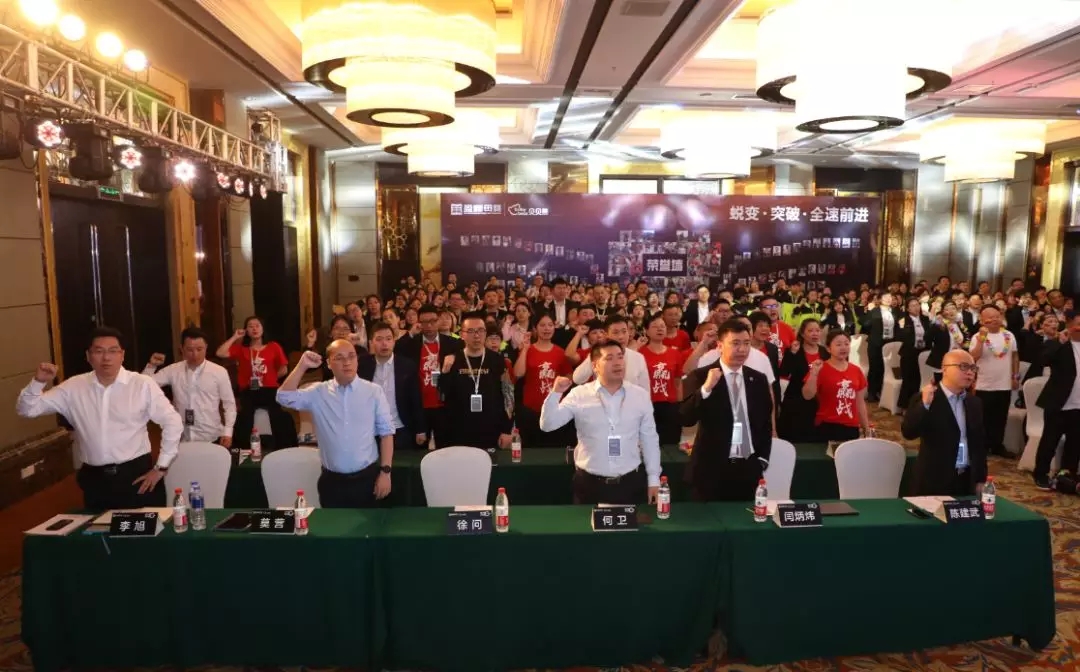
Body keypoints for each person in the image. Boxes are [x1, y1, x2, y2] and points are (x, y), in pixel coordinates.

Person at [16, 327, 183, 510]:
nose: (106, 358)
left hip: (135, 476)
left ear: (122, 355)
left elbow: (172, 421)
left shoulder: (141, 384)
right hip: (94, 478)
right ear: (88, 356)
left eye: (113, 351)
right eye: (99, 351)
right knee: (98, 527)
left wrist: (161, 467)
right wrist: (38, 382)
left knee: (140, 527)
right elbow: (28, 410)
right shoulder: (73, 387)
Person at [539, 341, 662, 505]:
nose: (617, 363)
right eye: (609, 358)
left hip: (630, 482)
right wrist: (555, 393)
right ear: (595, 366)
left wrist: (654, 479)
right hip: (589, 484)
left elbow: (649, 439)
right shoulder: (579, 394)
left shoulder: (639, 395)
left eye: (620, 357)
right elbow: (547, 425)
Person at [277, 342, 394, 508]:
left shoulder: (373, 391)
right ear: (328, 363)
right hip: (332, 482)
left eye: (351, 356)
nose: (347, 362)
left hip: (367, 479)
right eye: (339, 358)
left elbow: (386, 433)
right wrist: (302, 365)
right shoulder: (318, 392)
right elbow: (283, 397)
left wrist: (385, 472)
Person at [680, 319, 773, 502]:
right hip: (710, 472)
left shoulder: (758, 379)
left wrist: (762, 459)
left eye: (746, 343)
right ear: (720, 346)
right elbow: (685, 417)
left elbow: (765, 423)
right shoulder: (701, 376)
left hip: (748, 470)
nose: (742, 349)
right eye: (735, 343)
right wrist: (706, 389)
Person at [902, 350, 988, 497]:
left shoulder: (974, 402)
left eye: (973, 368)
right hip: (934, 481)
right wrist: (925, 405)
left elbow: (979, 444)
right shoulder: (927, 397)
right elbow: (908, 432)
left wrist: (980, 479)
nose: (969, 372)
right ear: (945, 369)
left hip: (965, 480)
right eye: (963, 367)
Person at [143, 327, 236, 446]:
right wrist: (151, 366)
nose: (195, 354)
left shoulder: (219, 372)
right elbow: (144, 386)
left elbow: (229, 403)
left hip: (211, 436)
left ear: (206, 347)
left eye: (199, 349)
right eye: (190, 350)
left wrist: (228, 432)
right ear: (181, 349)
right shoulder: (173, 370)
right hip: (182, 437)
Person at [216, 316, 297, 450]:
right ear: (246, 331)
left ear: (263, 329)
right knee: (245, 418)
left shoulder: (273, 346)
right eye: (250, 326)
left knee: (279, 417)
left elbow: (283, 370)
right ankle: (243, 449)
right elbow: (220, 353)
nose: (254, 329)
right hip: (249, 390)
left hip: (269, 389)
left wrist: (269, 377)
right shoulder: (242, 349)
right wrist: (235, 337)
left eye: (257, 325)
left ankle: (283, 449)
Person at [437, 313, 513, 452]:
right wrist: (445, 372)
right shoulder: (452, 360)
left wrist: (506, 429)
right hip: (458, 430)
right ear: (462, 334)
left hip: (491, 429)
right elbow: (441, 395)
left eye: (480, 331)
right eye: (471, 331)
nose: (476, 336)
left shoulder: (497, 360)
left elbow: (508, 396)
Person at [395, 304, 462, 448]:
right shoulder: (411, 343)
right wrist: (410, 333)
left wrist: (454, 357)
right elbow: (396, 349)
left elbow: (465, 355)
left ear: (438, 321)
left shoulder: (453, 344)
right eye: (424, 322)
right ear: (419, 323)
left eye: (433, 321)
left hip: (444, 405)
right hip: (419, 406)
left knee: (446, 448)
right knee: (418, 449)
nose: (429, 326)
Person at [359, 321, 427, 452]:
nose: (384, 343)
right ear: (371, 342)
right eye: (379, 339)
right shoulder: (362, 365)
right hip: (370, 430)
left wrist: (420, 429)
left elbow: (415, 399)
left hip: (400, 428)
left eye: (388, 339)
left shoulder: (407, 365)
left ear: (394, 341)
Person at [1032, 311, 1080, 489]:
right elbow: (1043, 360)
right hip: (1059, 402)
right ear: (1069, 324)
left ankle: (1067, 476)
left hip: (1078, 404)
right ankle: (1040, 473)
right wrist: (1060, 342)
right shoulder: (1057, 344)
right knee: (1049, 441)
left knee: (1075, 443)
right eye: (1078, 324)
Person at [513, 312, 572, 447]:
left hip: (554, 410)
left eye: (550, 325)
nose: (547, 329)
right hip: (531, 411)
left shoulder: (560, 352)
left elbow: (569, 376)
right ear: (535, 328)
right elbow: (518, 373)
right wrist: (525, 350)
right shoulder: (528, 350)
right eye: (542, 325)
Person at [803, 329, 871, 442]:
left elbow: (860, 402)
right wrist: (814, 374)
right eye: (838, 344)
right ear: (828, 348)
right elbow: (807, 395)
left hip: (851, 426)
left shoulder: (856, 370)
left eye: (846, 344)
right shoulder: (820, 368)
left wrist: (866, 427)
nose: (843, 347)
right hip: (827, 425)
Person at [969, 306, 1019, 457]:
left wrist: (1015, 376)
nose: (994, 320)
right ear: (982, 320)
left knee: (1000, 417)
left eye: (997, 316)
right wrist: (981, 339)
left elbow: (1015, 356)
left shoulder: (1009, 335)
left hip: (1004, 384)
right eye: (990, 317)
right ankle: (982, 447)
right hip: (984, 384)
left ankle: (997, 445)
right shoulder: (977, 337)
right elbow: (973, 357)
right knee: (983, 418)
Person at [777, 318, 827, 441]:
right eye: (810, 331)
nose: (815, 334)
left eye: (817, 330)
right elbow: (784, 372)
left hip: (819, 401)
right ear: (802, 334)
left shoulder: (825, 352)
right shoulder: (795, 350)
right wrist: (791, 353)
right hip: (796, 401)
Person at [571, 315, 651, 390]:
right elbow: (577, 379)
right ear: (606, 335)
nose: (621, 336)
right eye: (615, 332)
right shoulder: (599, 355)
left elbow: (645, 390)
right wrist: (596, 353)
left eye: (624, 331)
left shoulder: (638, 358)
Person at [639, 313, 684, 445]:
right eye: (655, 326)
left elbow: (677, 382)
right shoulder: (640, 354)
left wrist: (680, 405)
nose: (660, 329)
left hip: (670, 405)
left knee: (671, 444)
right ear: (646, 331)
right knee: (649, 444)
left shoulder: (675, 353)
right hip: (647, 405)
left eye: (662, 326)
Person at [859, 293, 899, 402]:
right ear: (880, 299)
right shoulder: (874, 311)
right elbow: (864, 323)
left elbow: (897, 327)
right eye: (886, 297)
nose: (889, 299)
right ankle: (872, 392)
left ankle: (881, 391)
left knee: (884, 368)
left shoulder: (894, 311)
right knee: (875, 368)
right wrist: (869, 313)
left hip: (889, 343)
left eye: (890, 297)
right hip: (875, 343)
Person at [897, 297, 933, 411]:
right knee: (908, 380)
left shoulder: (925, 319)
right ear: (907, 309)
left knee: (919, 379)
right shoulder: (904, 320)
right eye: (912, 306)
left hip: (922, 353)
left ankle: (919, 405)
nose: (916, 308)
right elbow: (902, 336)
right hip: (909, 353)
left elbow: (930, 334)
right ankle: (905, 406)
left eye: (917, 305)